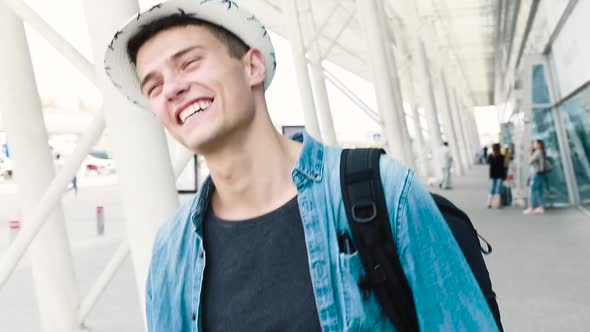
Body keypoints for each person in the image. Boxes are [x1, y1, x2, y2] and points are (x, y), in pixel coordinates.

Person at [104, 1, 498, 331]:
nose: (171, 88)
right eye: (153, 86)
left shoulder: (381, 192)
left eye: (189, 63)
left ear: (252, 67)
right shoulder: (172, 248)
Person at [524, 139, 548, 214]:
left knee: (533, 190)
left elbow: (529, 161)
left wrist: (529, 153)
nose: (534, 145)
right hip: (541, 173)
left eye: (535, 144)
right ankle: (541, 207)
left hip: (537, 173)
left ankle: (532, 207)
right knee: (540, 190)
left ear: (539, 145)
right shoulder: (541, 152)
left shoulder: (537, 152)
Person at [487, 144, 505, 208]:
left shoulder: (491, 156)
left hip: (493, 175)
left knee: (492, 189)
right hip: (500, 175)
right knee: (498, 189)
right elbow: (503, 166)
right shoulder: (501, 156)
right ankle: (498, 204)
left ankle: (489, 203)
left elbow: (488, 162)